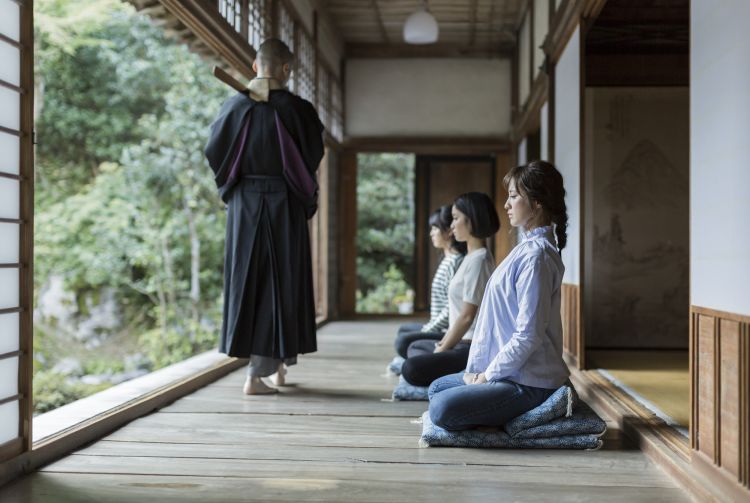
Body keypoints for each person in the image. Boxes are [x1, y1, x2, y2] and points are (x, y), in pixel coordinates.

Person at [204, 39, 324, 395]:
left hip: (244, 205)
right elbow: (313, 152)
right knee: (282, 282)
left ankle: (277, 368)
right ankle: (258, 374)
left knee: (252, 281)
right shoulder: (299, 110)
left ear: (256, 67)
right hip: (284, 202)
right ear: (286, 69)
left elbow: (215, 152)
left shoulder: (234, 107)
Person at [427, 160, 571, 430]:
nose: (506, 204)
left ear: (537, 202)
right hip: (510, 372)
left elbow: (528, 335)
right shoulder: (526, 248)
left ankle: (534, 407)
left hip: (530, 381)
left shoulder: (536, 257)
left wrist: (487, 377)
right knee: (437, 387)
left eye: (514, 197)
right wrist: (482, 374)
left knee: (441, 408)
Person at [400, 192, 499, 387]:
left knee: (410, 368)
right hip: (458, 341)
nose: (452, 226)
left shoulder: (479, 261)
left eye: (455, 218)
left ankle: (460, 375)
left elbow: (466, 317)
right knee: (413, 346)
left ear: (471, 220)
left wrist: (442, 348)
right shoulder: (471, 257)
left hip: (468, 346)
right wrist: (443, 343)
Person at [393, 205, 466, 359]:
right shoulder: (448, 259)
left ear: (449, 231)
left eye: (435, 228)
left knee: (403, 342)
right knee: (404, 330)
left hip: (446, 331)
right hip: (436, 326)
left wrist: (428, 329)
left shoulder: (456, 262)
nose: (431, 233)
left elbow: (450, 308)